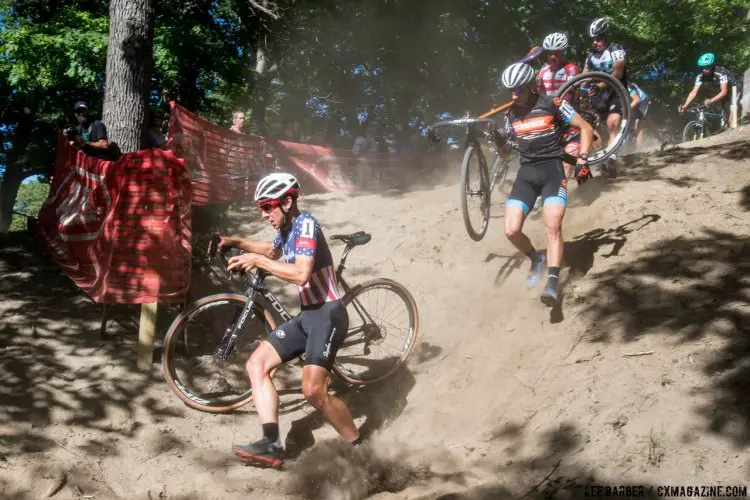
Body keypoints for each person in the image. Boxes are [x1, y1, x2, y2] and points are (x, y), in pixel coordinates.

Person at [215, 173, 359, 468]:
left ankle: (359, 447)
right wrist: (236, 241)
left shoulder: (305, 223)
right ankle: (271, 444)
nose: (264, 214)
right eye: (261, 208)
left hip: (328, 314)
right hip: (308, 316)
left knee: (313, 392)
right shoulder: (288, 227)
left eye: (267, 207)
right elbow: (272, 250)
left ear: (288, 201)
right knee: (256, 364)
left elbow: (301, 273)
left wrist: (257, 262)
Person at [497, 63, 594, 306]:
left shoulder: (552, 103)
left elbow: (585, 127)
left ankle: (552, 284)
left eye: (518, 89)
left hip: (552, 170)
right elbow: (505, 157)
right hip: (526, 175)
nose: (513, 95)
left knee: (552, 227)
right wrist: (499, 141)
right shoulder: (509, 114)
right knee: (511, 230)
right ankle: (536, 259)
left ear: (530, 86)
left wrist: (582, 159)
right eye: (510, 90)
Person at [583, 18, 627, 178]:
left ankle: (612, 159)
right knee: (589, 128)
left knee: (612, 124)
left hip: (616, 92)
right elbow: (584, 76)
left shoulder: (616, 49)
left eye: (599, 38)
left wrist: (599, 86)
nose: (595, 42)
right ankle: (602, 155)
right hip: (598, 97)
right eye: (593, 39)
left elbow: (618, 73)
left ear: (606, 36)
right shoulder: (590, 56)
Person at [537, 32, 581, 180]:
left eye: (557, 53)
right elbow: (539, 96)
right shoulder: (543, 72)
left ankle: (592, 176)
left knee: (570, 161)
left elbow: (568, 95)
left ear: (563, 52)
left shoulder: (571, 69)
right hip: (549, 121)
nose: (553, 57)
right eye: (550, 53)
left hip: (568, 118)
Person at [678, 53, 743, 127]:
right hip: (723, 87)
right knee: (725, 114)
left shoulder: (720, 73)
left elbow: (724, 91)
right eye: (702, 68)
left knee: (732, 116)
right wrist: (685, 106)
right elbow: (694, 92)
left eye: (706, 67)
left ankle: (737, 122)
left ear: (712, 66)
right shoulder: (700, 76)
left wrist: (711, 100)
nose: (704, 70)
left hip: (734, 86)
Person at [627, 82, 650, 150]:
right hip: (636, 103)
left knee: (639, 124)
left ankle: (639, 149)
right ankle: (658, 132)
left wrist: (624, 111)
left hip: (643, 101)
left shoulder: (627, 85)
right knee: (635, 122)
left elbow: (637, 100)